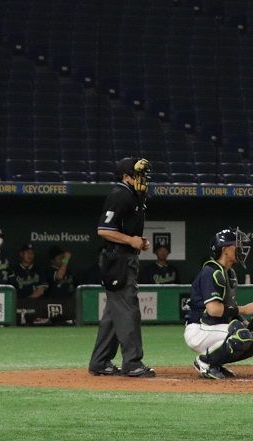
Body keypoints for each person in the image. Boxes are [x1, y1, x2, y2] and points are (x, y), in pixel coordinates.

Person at [88, 156, 154, 378]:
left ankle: (100, 362)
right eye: (138, 175)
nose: (143, 178)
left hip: (124, 257)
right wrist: (130, 240)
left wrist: (138, 242)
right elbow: (103, 230)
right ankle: (132, 363)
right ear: (126, 176)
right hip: (118, 259)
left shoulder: (134, 195)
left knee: (114, 313)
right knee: (128, 310)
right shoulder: (120, 194)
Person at [185, 228, 253, 380]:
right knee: (242, 335)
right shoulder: (211, 272)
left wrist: (245, 323)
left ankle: (215, 362)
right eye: (236, 245)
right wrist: (243, 310)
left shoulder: (229, 273)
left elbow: (229, 308)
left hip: (213, 327)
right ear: (225, 250)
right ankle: (205, 361)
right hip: (199, 330)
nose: (241, 248)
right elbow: (213, 310)